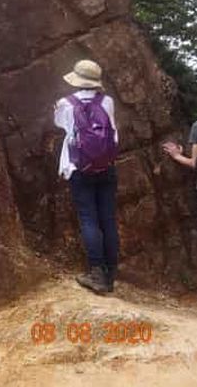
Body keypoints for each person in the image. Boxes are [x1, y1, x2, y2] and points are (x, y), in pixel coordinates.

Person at [54, 60, 120, 294]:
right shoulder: (108, 101)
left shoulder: (65, 103)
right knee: (108, 219)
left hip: (79, 168)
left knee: (89, 220)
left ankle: (96, 273)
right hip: (106, 167)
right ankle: (111, 274)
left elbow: (60, 125)